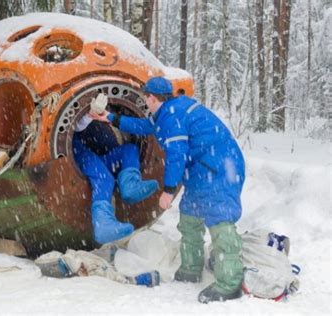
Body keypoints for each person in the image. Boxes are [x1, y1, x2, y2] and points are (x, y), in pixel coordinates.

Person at [89, 77, 245, 303]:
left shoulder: (172, 115)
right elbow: (146, 126)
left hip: (220, 168)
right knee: (190, 217)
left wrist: (168, 190)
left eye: (146, 98)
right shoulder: (168, 110)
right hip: (202, 170)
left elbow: (176, 154)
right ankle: (191, 269)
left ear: (152, 98)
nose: (145, 102)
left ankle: (230, 284)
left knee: (220, 221)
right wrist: (110, 118)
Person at [73, 96, 159, 245]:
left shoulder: (102, 126)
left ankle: (130, 186)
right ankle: (103, 225)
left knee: (130, 149)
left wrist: (101, 114)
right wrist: (88, 114)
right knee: (104, 178)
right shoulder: (77, 115)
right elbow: (75, 126)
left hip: (99, 154)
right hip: (78, 153)